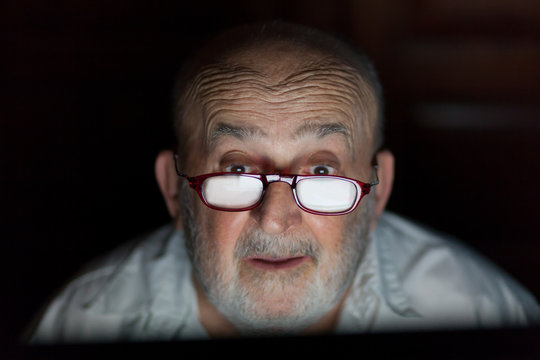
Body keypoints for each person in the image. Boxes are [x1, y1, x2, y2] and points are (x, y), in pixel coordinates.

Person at [28, 21, 539, 343]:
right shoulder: (82, 324)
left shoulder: (486, 316)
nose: (274, 218)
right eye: (237, 170)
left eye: (321, 170)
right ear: (172, 188)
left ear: (377, 192)